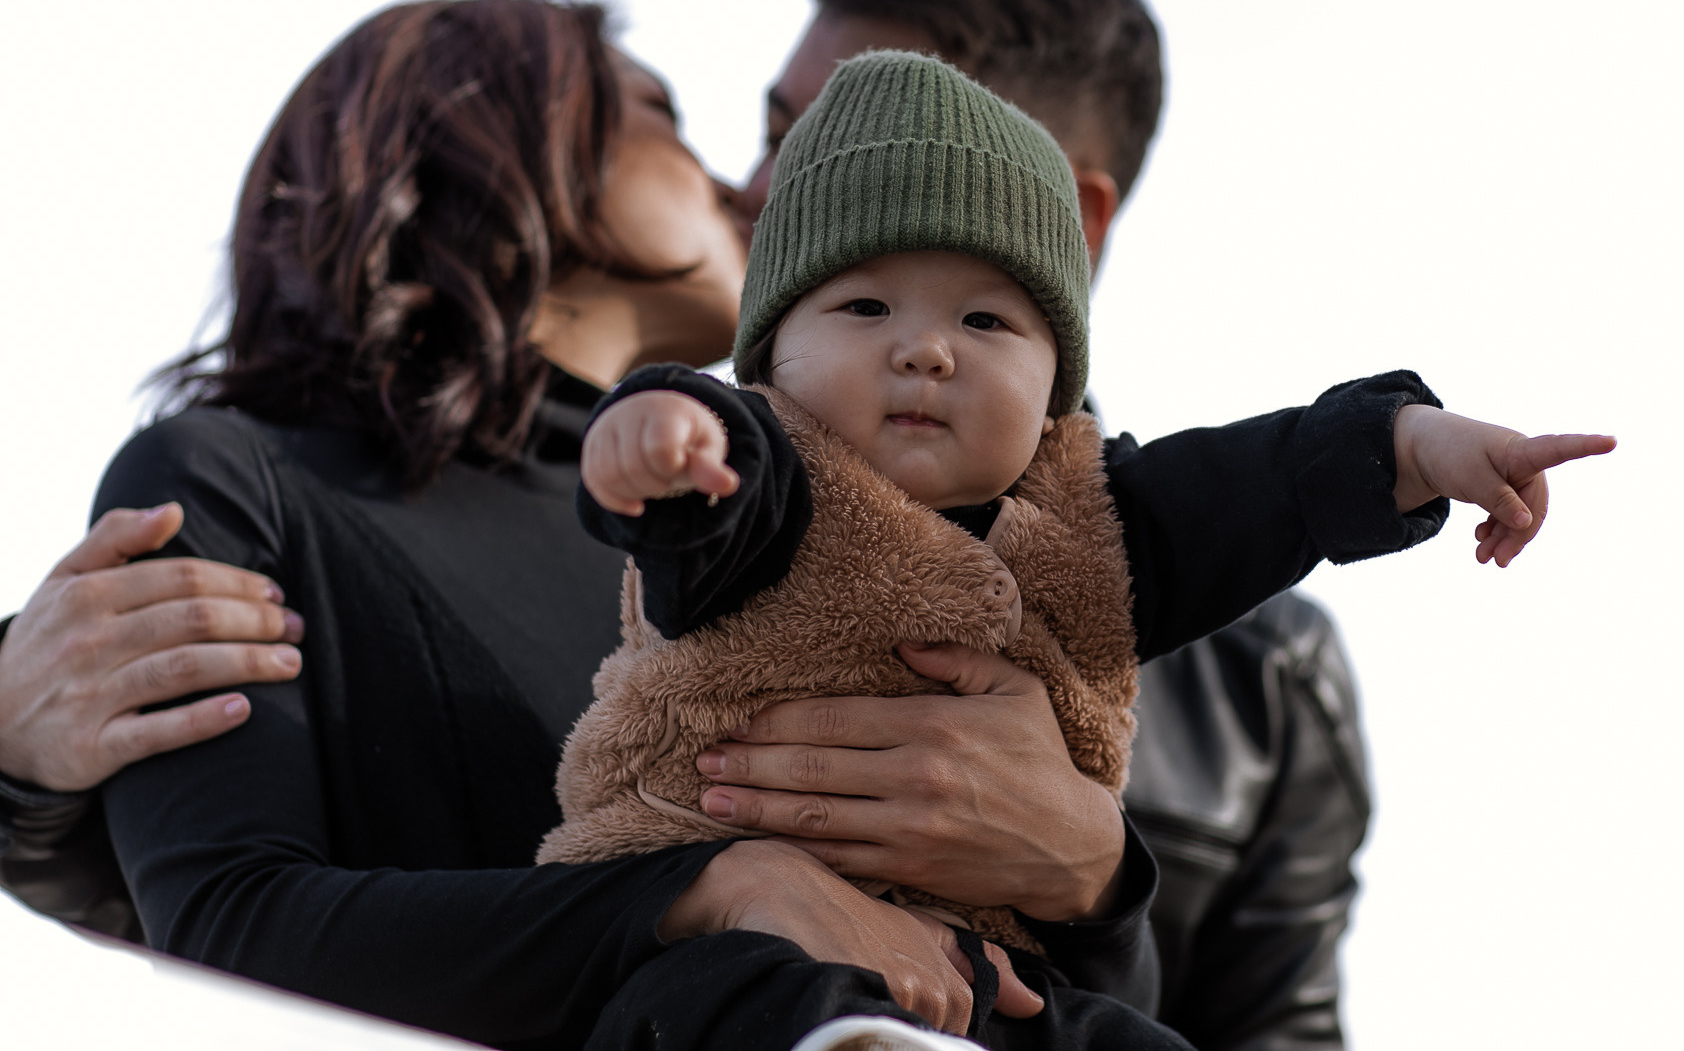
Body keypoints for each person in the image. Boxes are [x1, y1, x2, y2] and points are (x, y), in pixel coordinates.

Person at [2, 0, 1398, 1048]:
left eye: (846, 144)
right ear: (488, 147)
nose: (761, 182)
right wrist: (23, 786)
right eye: (724, 121)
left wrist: (1094, 878)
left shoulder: (1163, 603)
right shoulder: (298, 481)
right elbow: (230, 919)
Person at [537, 49, 1608, 1019]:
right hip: (750, 941)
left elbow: (1259, 482)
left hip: (998, 983)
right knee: (725, 999)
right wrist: (659, 435)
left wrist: (1413, 441)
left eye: (985, 321)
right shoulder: (766, 468)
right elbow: (705, 500)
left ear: (1057, 388)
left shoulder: (1096, 517)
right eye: (863, 308)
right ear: (769, 357)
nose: (925, 351)